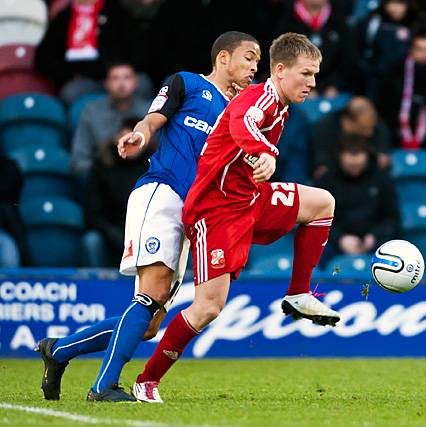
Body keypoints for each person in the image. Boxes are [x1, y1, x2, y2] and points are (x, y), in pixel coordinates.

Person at [35, 31, 261, 402]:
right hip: (162, 193)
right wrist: (139, 135)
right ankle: (103, 387)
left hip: (194, 214)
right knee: (149, 299)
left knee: (149, 325)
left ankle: (57, 352)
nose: (254, 67)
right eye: (248, 58)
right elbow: (152, 120)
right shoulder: (186, 84)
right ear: (223, 58)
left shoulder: (242, 112)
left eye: (257, 61)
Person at [131, 33, 340, 403]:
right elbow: (242, 124)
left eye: (315, 75)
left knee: (322, 203)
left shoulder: (281, 104)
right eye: (305, 74)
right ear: (280, 70)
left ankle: (298, 294)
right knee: (209, 306)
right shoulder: (259, 97)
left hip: (249, 198)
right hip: (216, 209)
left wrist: (261, 156)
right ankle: (147, 381)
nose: (312, 83)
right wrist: (264, 152)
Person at [316, 134, 399, 260]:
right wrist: (340, 239)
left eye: (359, 155)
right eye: (349, 155)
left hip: (375, 241)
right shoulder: (326, 181)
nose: (354, 163)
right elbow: (317, 219)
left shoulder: (381, 179)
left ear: (366, 155)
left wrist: (374, 236)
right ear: (340, 156)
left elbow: (392, 217)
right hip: (334, 242)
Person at [84, 117, 153, 266]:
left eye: (135, 142)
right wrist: (114, 234)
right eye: (127, 141)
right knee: (92, 241)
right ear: (118, 139)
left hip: (147, 234)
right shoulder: (102, 166)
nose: (131, 146)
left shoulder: (154, 167)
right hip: (110, 234)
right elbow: (93, 212)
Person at [378, 29, 426, 161]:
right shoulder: (397, 70)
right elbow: (387, 105)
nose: (425, 55)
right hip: (399, 130)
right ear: (411, 51)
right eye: (419, 49)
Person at [34, 0, 134, 103]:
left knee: (142, 85)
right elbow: (42, 58)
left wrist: (119, 68)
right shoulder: (65, 17)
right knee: (71, 92)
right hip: (81, 80)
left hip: (117, 75)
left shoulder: (116, 11)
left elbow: (134, 47)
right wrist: (70, 73)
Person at [71, 62, 149, 179]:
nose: (121, 84)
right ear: (106, 83)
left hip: (141, 176)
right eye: (115, 78)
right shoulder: (92, 112)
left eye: (127, 77)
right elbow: (80, 157)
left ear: (136, 82)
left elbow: (158, 152)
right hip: (102, 178)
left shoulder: (148, 111)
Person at [273, 0, 359, 95]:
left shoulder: (340, 20)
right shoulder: (282, 17)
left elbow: (349, 62)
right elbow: (275, 62)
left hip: (333, 92)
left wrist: (335, 86)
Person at [311, 96, 391, 180]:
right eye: (363, 128)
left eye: (371, 127)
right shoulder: (325, 128)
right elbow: (321, 164)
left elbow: (382, 155)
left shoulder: (374, 125)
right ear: (347, 121)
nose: (369, 133)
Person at [356, 0, 418, 97]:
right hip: (375, 79)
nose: (395, 8)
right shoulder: (373, 23)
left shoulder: (415, 24)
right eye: (391, 3)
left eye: (400, 3)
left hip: (406, 80)